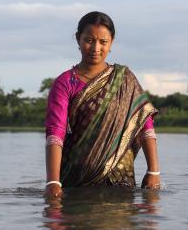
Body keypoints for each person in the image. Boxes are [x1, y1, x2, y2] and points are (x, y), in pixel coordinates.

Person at [45, 11, 161, 198]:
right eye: (89, 40)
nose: (95, 48)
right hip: (77, 180)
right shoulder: (66, 82)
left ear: (112, 42)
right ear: (78, 39)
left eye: (103, 42)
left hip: (121, 179)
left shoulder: (125, 79)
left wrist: (153, 172)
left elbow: (145, 124)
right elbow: (55, 132)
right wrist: (53, 182)